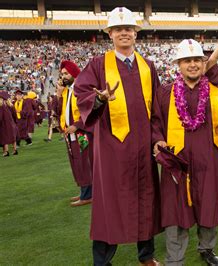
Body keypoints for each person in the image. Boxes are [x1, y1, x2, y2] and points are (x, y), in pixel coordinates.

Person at [74, 7, 161, 265]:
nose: (124, 33)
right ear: (110, 34)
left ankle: (146, 256)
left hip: (143, 147)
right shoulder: (98, 65)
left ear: (135, 33)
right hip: (112, 148)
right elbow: (82, 93)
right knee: (108, 202)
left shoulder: (148, 67)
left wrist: (156, 139)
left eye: (128, 29)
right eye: (118, 29)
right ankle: (102, 261)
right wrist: (99, 99)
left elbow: (156, 108)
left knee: (146, 199)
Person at [154, 37, 218, 266]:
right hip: (177, 162)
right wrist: (158, 140)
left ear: (204, 64)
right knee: (175, 213)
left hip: (209, 159)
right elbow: (155, 123)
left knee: (208, 207)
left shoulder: (217, 92)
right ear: (178, 65)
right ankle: (175, 259)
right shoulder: (165, 93)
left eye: (196, 60)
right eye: (186, 61)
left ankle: (207, 249)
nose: (192, 65)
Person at [57, 60, 93, 207]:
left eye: (66, 73)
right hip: (70, 134)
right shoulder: (67, 91)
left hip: (81, 133)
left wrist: (77, 125)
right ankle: (84, 191)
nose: (64, 76)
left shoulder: (81, 89)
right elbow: (58, 111)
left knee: (84, 163)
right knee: (77, 163)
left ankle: (88, 195)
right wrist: (58, 95)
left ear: (74, 73)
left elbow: (90, 111)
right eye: (62, 74)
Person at [0, 91, 17, 156]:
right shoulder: (10, 105)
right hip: (11, 123)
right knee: (12, 137)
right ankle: (15, 150)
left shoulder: (1, 107)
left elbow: (0, 118)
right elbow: (14, 114)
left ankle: (6, 152)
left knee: (5, 138)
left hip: (4, 125)